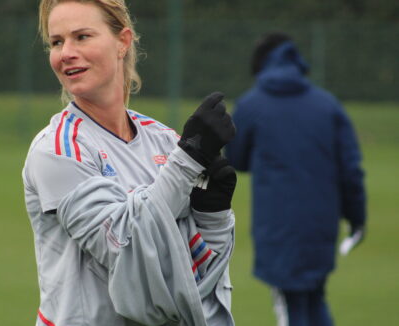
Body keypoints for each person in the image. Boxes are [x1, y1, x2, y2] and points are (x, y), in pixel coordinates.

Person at [23, 1, 238, 325]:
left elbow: (195, 276)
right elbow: (125, 248)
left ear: (122, 41)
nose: (65, 52)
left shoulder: (165, 141)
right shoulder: (58, 150)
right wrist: (187, 161)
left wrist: (214, 218)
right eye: (56, 42)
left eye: (81, 37)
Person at [225, 32, 367, 326]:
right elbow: (351, 171)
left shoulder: (252, 104)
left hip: (277, 227)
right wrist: (357, 218)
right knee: (314, 298)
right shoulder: (328, 106)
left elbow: (235, 157)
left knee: (291, 308)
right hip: (321, 226)